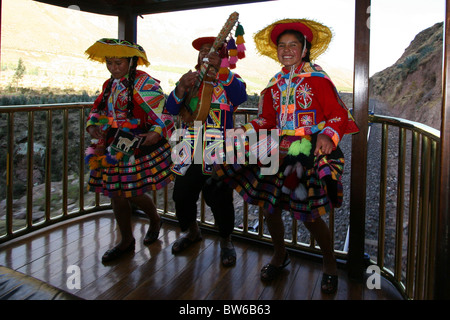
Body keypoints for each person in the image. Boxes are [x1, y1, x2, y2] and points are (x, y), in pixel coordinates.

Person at [215, 19, 359, 293]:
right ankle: (280, 255)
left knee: (310, 215)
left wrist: (328, 134)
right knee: (270, 208)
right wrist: (244, 130)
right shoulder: (275, 83)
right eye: (282, 45)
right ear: (277, 51)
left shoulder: (318, 79)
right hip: (277, 150)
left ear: (305, 49)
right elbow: (267, 120)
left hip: (306, 150)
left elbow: (338, 114)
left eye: (294, 44)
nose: (287, 49)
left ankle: (329, 264)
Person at [84, 38, 175, 263]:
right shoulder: (109, 85)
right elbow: (98, 108)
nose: (113, 68)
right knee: (116, 192)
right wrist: (93, 124)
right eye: (110, 62)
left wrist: (156, 131)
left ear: (131, 63)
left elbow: (163, 112)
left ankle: (154, 220)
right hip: (113, 142)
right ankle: (126, 240)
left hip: (136, 141)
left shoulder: (144, 83)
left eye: (119, 63)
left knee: (131, 191)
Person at [166, 36, 247, 267]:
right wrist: (181, 87)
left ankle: (226, 240)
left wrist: (222, 70)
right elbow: (171, 108)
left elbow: (241, 96)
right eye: (202, 51)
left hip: (220, 147)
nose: (205, 54)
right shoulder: (190, 80)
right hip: (189, 146)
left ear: (221, 56)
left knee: (220, 197)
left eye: (212, 51)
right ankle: (193, 233)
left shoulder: (230, 79)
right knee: (181, 194)